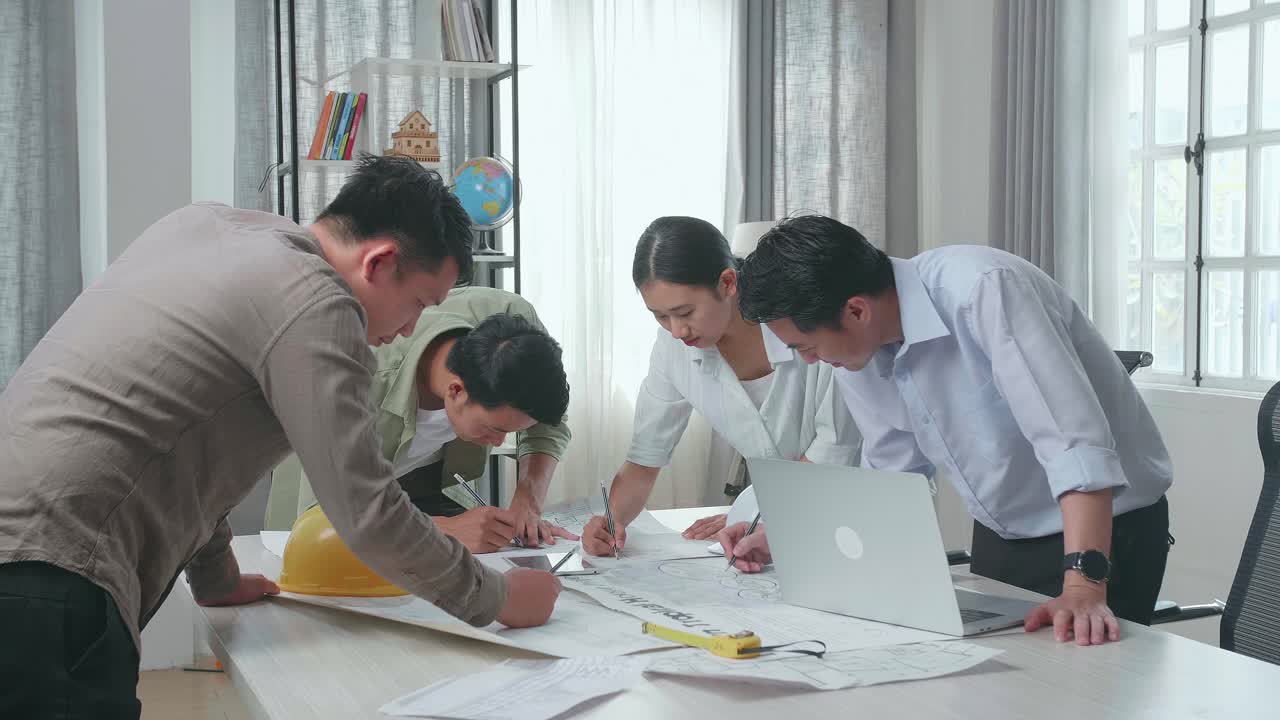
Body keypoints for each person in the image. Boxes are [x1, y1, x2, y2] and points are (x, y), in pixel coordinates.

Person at [0, 156, 561, 719]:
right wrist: (500, 598)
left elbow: (180, 437)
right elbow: (367, 514)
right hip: (47, 578)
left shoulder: (204, 227)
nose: (412, 329)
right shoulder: (320, 306)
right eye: (419, 302)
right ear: (381, 261)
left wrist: (216, 578)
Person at [723, 214, 1173, 647]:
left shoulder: (984, 290)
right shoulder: (858, 353)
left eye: (806, 346)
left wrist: (1084, 585)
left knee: (1085, 691)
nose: (808, 360)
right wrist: (792, 537)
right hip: (1005, 534)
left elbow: (1074, 447)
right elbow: (892, 478)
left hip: (1103, 532)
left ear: (856, 310)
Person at [581, 216, 861, 557]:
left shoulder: (804, 327)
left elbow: (834, 451)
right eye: (660, 316)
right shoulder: (673, 349)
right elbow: (643, 460)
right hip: (779, 525)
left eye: (685, 312)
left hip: (852, 516)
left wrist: (762, 516)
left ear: (728, 283)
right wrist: (612, 522)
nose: (676, 330)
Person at [281, 286, 576, 549]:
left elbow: (549, 422)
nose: (498, 442)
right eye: (493, 429)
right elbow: (322, 519)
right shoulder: (353, 382)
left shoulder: (516, 330)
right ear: (456, 391)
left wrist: (528, 501)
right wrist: (445, 529)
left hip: (432, 486)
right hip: (345, 501)